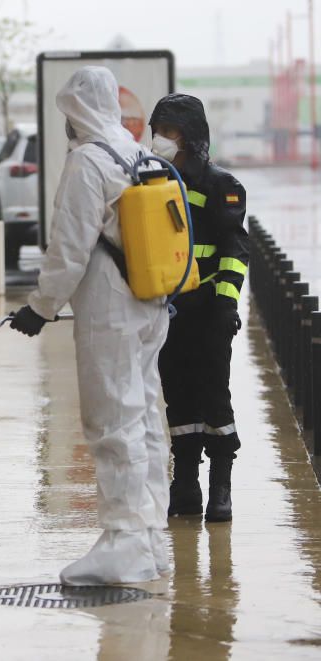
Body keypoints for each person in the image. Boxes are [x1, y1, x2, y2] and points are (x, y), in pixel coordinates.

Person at [7, 67, 170, 585]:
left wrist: (41, 307)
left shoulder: (88, 161)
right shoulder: (137, 152)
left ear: (76, 111)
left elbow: (70, 245)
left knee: (113, 422)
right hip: (150, 301)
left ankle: (123, 543)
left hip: (110, 309)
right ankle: (151, 537)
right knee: (144, 419)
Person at [149, 94, 248, 523]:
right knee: (178, 399)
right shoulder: (151, 183)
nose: (160, 140)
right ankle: (185, 483)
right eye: (157, 131)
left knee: (214, 398)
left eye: (168, 132)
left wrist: (226, 303)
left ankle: (220, 487)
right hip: (169, 312)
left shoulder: (221, 185)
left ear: (189, 135)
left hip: (209, 311)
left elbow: (234, 247)